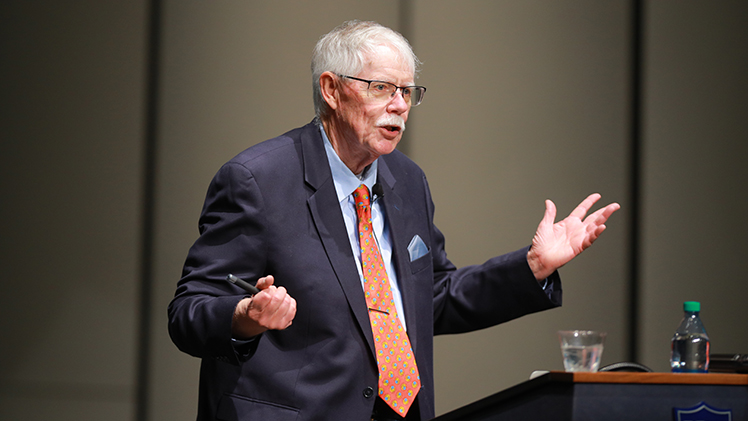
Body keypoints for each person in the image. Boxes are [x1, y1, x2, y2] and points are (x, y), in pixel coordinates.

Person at [168, 20, 620, 421]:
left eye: (407, 92)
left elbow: (432, 298)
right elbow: (189, 312)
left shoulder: (407, 180)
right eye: (381, 88)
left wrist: (533, 266)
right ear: (331, 89)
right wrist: (245, 314)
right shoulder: (257, 179)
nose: (400, 106)